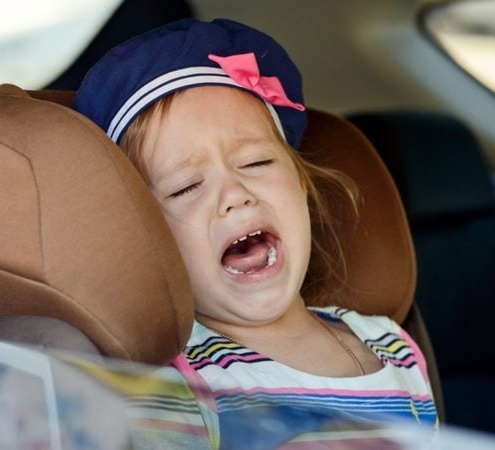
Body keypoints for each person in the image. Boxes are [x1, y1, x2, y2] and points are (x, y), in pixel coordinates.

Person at [73, 18, 438, 448]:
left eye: (255, 163)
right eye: (186, 186)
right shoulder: (183, 384)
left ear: (302, 185)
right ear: (148, 237)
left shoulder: (392, 344)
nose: (235, 194)